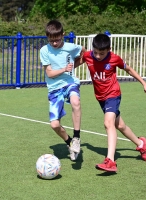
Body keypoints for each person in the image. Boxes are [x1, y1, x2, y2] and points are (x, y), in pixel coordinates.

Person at [75, 33, 146, 172]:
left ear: (109, 49)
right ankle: (141, 144)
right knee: (120, 126)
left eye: (102, 53)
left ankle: (110, 161)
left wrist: (144, 83)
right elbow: (75, 64)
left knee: (108, 123)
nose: (98, 56)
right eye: (96, 52)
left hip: (113, 95)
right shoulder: (87, 56)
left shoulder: (114, 58)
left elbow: (129, 69)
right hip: (100, 98)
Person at [40, 20, 85, 161]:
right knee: (54, 124)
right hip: (54, 89)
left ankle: (76, 137)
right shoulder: (44, 51)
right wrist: (65, 69)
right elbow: (50, 74)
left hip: (70, 83)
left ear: (63, 35)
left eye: (57, 40)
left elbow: (83, 53)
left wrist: (74, 67)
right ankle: (70, 142)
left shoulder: (71, 47)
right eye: (51, 40)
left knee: (75, 101)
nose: (54, 43)